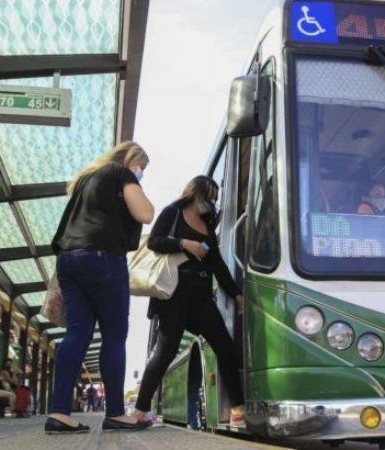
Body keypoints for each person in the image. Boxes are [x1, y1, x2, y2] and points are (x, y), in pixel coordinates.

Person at [45, 141, 154, 434]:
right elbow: (145, 213)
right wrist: (135, 183)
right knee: (114, 335)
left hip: (68, 260)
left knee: (78, 333)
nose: (142, 173)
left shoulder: (86, 180)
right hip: (102, 257)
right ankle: (116, 413)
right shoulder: (120, 172)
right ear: (132, 160)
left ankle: (59, 413)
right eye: (142, 167)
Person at [131, 176, 246, 428]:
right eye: (209, 196)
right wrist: (184, 244)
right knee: (165, 351)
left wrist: (235, 292)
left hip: (202, 296)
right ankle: (139, 410)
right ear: (195, 193)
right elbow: (154, 241)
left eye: (214, 199)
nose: (211, 203)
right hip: (174, 293)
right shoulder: (173, 212)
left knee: (225, 346)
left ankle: (238, 409)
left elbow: (216, 263)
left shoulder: (207, 224)